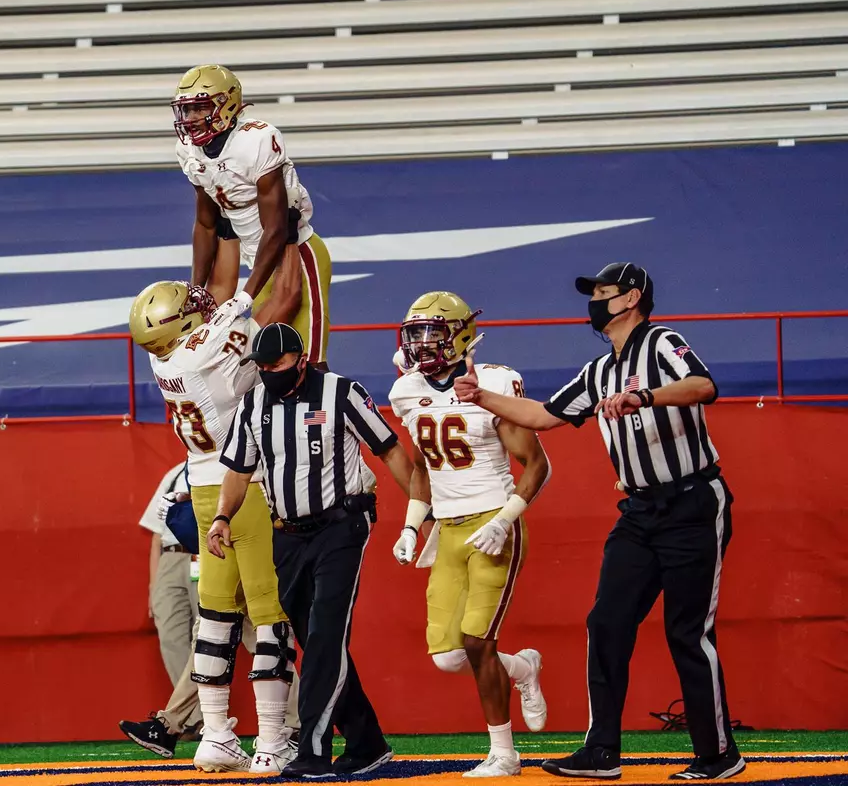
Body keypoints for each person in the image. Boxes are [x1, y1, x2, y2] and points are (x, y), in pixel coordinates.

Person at [453, 263, 744, 782]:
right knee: (606, 623)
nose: (594, 303)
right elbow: (545, 415)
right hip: (639, 509)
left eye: (604, 293)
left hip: (691, 501)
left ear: (631, 298)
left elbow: (703, 385)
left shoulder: (661, 342)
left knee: (687, 631)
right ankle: (601, 750)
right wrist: (481, 397)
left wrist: (644, 396)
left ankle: (718, 754)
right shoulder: (599, 370)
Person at [212, 322, 415, 779]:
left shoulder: (341, 393)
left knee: (325, 634)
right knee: (315, 639)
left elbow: (389, 450)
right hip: (287, 534)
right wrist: (223, 516)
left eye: (278, 363)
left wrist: (423, 510)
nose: (270, 372)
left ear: (301, 360)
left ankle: (313, 750)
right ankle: (366, 743)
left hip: (341, 526)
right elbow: (239, 470)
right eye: (263, 366)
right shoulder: (254, 404)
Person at [128, 281, 297, 774]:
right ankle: (273, 740)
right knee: (268, 614)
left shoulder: (163, 361)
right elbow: (266, 306)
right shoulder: (201, 352)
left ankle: (216, 736)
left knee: (217, 616)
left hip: (203, 488)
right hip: (242, 483)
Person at [388, 292, 551, 778]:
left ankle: (504, 754)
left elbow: (537, 464)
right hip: (448, 529)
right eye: (415, 333)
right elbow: (421, 468)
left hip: (494, 521)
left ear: (461, 335)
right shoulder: (406, 391)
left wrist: (505, 520)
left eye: (432, 332)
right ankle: (523, 668)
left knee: (478, 642)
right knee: (448, 655)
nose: (421, 343)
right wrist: (411, 526)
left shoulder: (493, 383)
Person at [173, 64, 333, 367]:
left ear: (226, 104)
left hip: (297, 251)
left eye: (200, 108)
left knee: (311, 366)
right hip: (257, 263)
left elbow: (276, 228)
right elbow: (206, 223)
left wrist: (246, 295)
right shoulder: (188, 150)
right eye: (186, 109)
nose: (190, 118)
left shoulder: (255, 140)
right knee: (268, 367)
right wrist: (197, 289)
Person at [142, 462, 201, 730]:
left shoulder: (226, 467)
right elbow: (156, 534)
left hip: (206, 553)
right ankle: (192, 717)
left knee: (208, 638)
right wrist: (153, 586)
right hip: (170, 556)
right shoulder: (176, 473)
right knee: (171, 637)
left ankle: (205, 716)